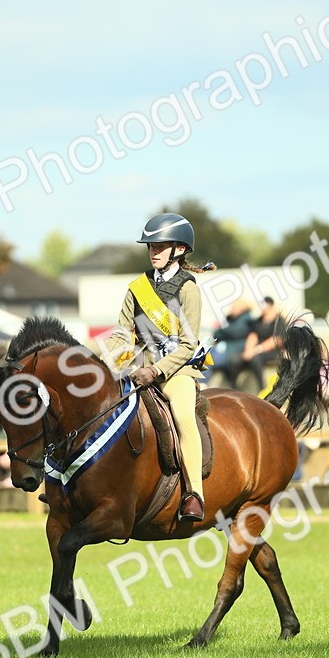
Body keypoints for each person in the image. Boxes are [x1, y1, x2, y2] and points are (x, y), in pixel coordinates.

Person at [113, 212, 215, 522]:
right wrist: (108, 361)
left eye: (161, 246)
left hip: (176, 370)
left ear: (180, 250)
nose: (154, 252)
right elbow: (121, 334)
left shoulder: (188, 289)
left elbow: (188, 344)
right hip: (136, 367)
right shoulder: (136, 287)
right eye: (151, 247)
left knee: (183, 415)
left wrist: (157, 371)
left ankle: (194, 493)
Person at [209, 299, 257, 391]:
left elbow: (235, 332)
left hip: (234, 350)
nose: (231, 309)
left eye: (234, 307)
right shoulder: (231, 318)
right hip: (224, 348)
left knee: (208, 360)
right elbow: (218, 333)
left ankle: (203, 385)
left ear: (241, 308)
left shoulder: (246, 319)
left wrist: (222, 331)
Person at [243, 296, 286, 394]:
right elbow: (253, 335)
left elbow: (277, 339)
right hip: (257, 351)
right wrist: (248, 350)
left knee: (255, 359)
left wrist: (256, 350)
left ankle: (261, 387)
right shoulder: (259, 321)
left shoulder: (279, 320)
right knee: (234, 360)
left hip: (274, 352)